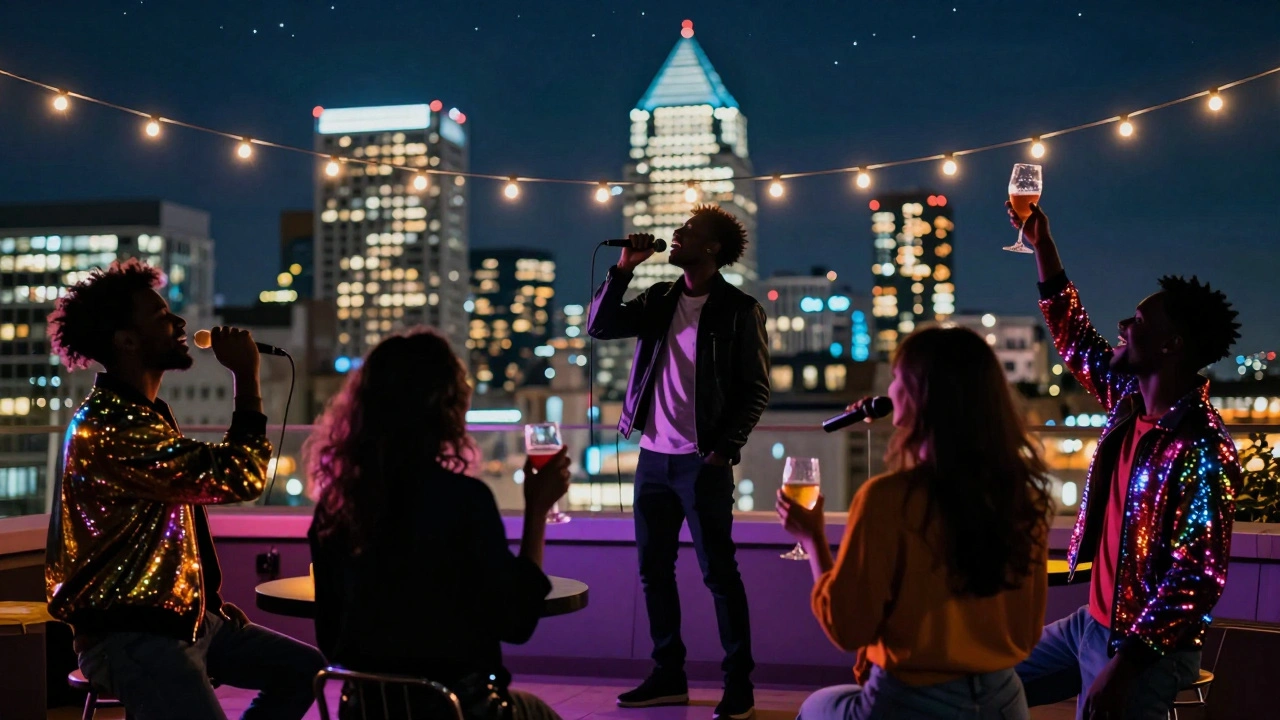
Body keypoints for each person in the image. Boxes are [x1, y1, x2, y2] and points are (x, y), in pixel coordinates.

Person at [45, 259, 324, 720]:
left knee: (304, 670)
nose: (178, 323)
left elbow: (177, 520)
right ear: (126, 340)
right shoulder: (115, 426)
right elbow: (241, 476)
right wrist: (246, 379)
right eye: (160, 317)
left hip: (182, 621)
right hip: (133, 636)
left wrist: (206, 602)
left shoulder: (145, 414)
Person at [1008, 202, 1242, 720]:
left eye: (1138, 321)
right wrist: (1042, 247)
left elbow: (1196, 577)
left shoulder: (1200, 446)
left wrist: (1126, 665)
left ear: (1170, 346)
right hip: (1089, 624)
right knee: (980, 685)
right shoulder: (1129, 401)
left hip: (1146, 649)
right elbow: (1075, 337)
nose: (1122, 325)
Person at [779, 326, 1052, 720]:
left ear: (919, 396)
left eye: (896, 380)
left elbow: (847, 628)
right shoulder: (1023, 498)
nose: (889, 392)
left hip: (911, 702)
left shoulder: (886, 499)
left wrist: (813, 539)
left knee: (814, 708)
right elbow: (1029, 630)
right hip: (1005, 699)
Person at [307, 328, 571, 720]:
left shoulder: (336, 507)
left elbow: (331, 637)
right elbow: (517, 622)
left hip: (366, 709)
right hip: (457, 709)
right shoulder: (465, 500)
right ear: (446, 409)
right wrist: (536, 512)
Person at [587, 205, 769, 719]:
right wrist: (624, 268)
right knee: (653, 572)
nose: (676, 235)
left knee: (719, 574)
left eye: (688, 232)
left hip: (701, 462)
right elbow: (599, 327)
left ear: (711, 249)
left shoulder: (739, 309)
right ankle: (669, 675)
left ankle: (740, 685)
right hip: (652, 459)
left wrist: (721, 449)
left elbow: (756, 390)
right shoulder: (661, 297)